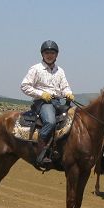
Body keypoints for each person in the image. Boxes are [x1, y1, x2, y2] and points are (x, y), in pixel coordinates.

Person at [20, 40, 74, 168]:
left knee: (73, 120)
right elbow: (24, 86)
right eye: (47, 53)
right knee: (50, 121)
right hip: (42, 102)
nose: (49, 55)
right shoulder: (36, 69)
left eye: (52, 53)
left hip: (56, 101)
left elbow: (65, 86)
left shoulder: (60, 71)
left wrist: (68, 93)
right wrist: (41, 94)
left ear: (56, 55)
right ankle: (41, 153)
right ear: (42, 54)